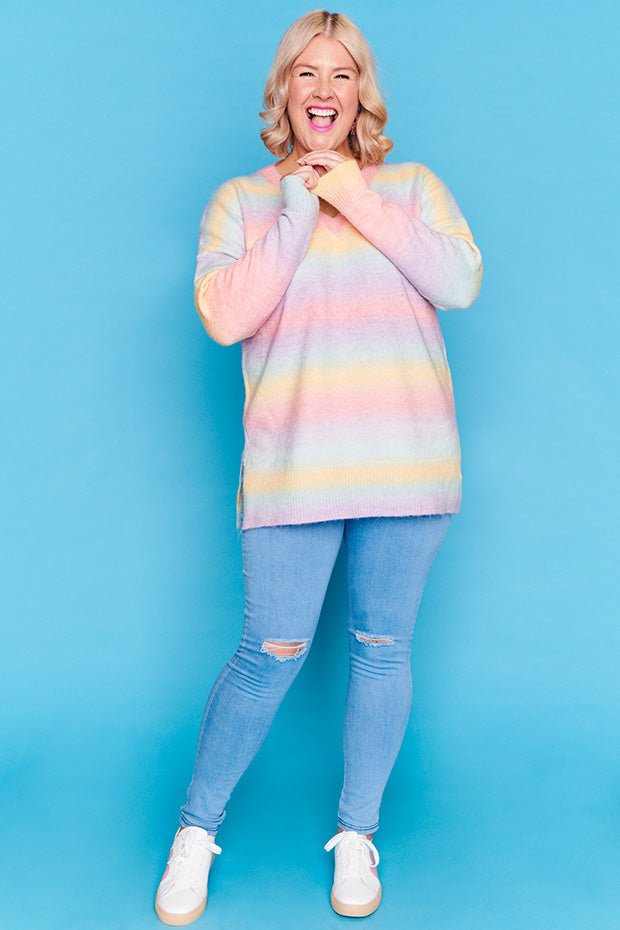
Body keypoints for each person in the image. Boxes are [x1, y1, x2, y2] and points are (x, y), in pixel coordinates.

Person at [155, 8, 482, 925]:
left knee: (382, 651)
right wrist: (299, 210)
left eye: (342, 74)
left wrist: (356, 198)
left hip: (408, 465)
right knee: (270, 653)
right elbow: (227, 316)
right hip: (296, 470)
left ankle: (357, 835)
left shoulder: (411, 188)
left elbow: (458, 283)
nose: (324, 90)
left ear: (361, 92)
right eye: (307, 73)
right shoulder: (241, 202)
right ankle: (195, 832)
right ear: (285, 92)